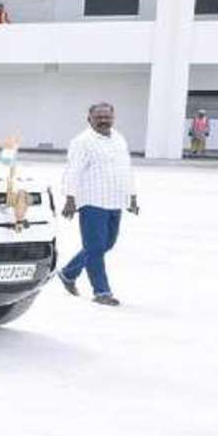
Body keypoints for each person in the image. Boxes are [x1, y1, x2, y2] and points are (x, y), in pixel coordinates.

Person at [58, 102, 139, 307]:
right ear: (89, 119)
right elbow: (73, 171)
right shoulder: (82, 142)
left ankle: (68, 273)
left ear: (113, 118)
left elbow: (126, 168)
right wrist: (70, 198)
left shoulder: (119, 139)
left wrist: (132, 196)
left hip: (115, 200)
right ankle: (102, 291)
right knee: (95, 247)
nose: (104, 120)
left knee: (106, 244)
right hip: (92, 201)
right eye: (99, 117)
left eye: (107, 117)